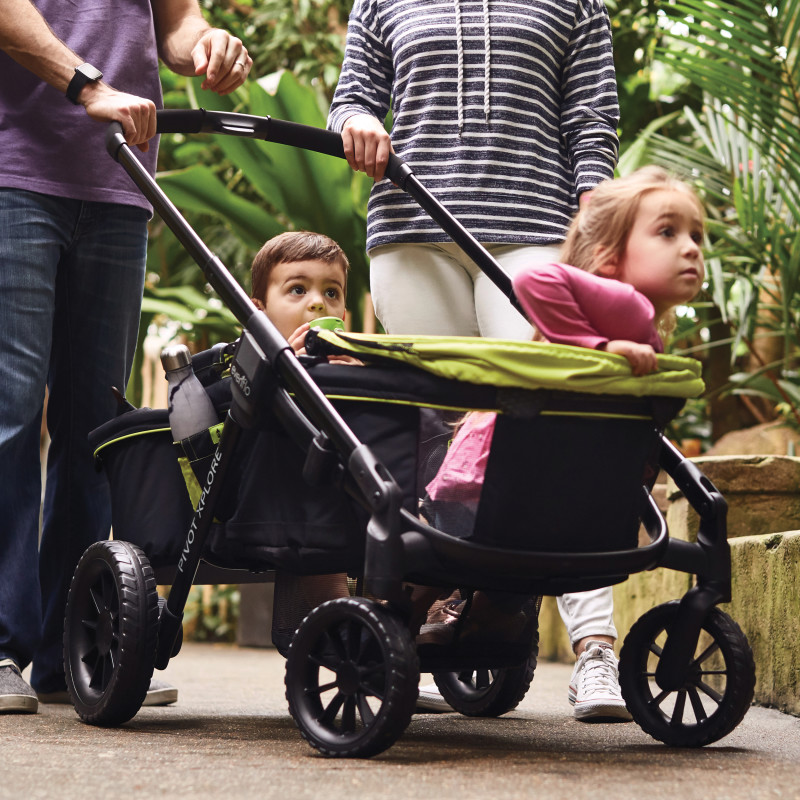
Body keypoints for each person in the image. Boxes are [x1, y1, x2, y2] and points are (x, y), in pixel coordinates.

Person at [327, 0, 625, 719]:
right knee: (433, 427)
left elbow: (592, 116)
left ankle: (595, 649)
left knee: (547, 418)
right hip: (410, 230)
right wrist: (358, 123)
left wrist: (593, 218)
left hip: (534, 233)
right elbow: (354, 96)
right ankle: (429, 619)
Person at [0, 0, 251, 714]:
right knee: (10, 416)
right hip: (16, 171)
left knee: (93, 431)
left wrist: (208, 45)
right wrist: (87, 86)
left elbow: (175, 24)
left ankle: (67, 650)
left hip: (118, 180)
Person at [424, 166, 706, 720]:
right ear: (607, 256)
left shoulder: (642, 316)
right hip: (509, 464)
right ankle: (445, 631)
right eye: (669, 233)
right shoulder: (618, 302)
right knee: (459, 564)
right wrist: (595, 344)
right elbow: (533, 283)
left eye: (697, 235)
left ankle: (472, 630)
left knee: (481, 571)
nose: (692, 249)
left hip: (545, 469)